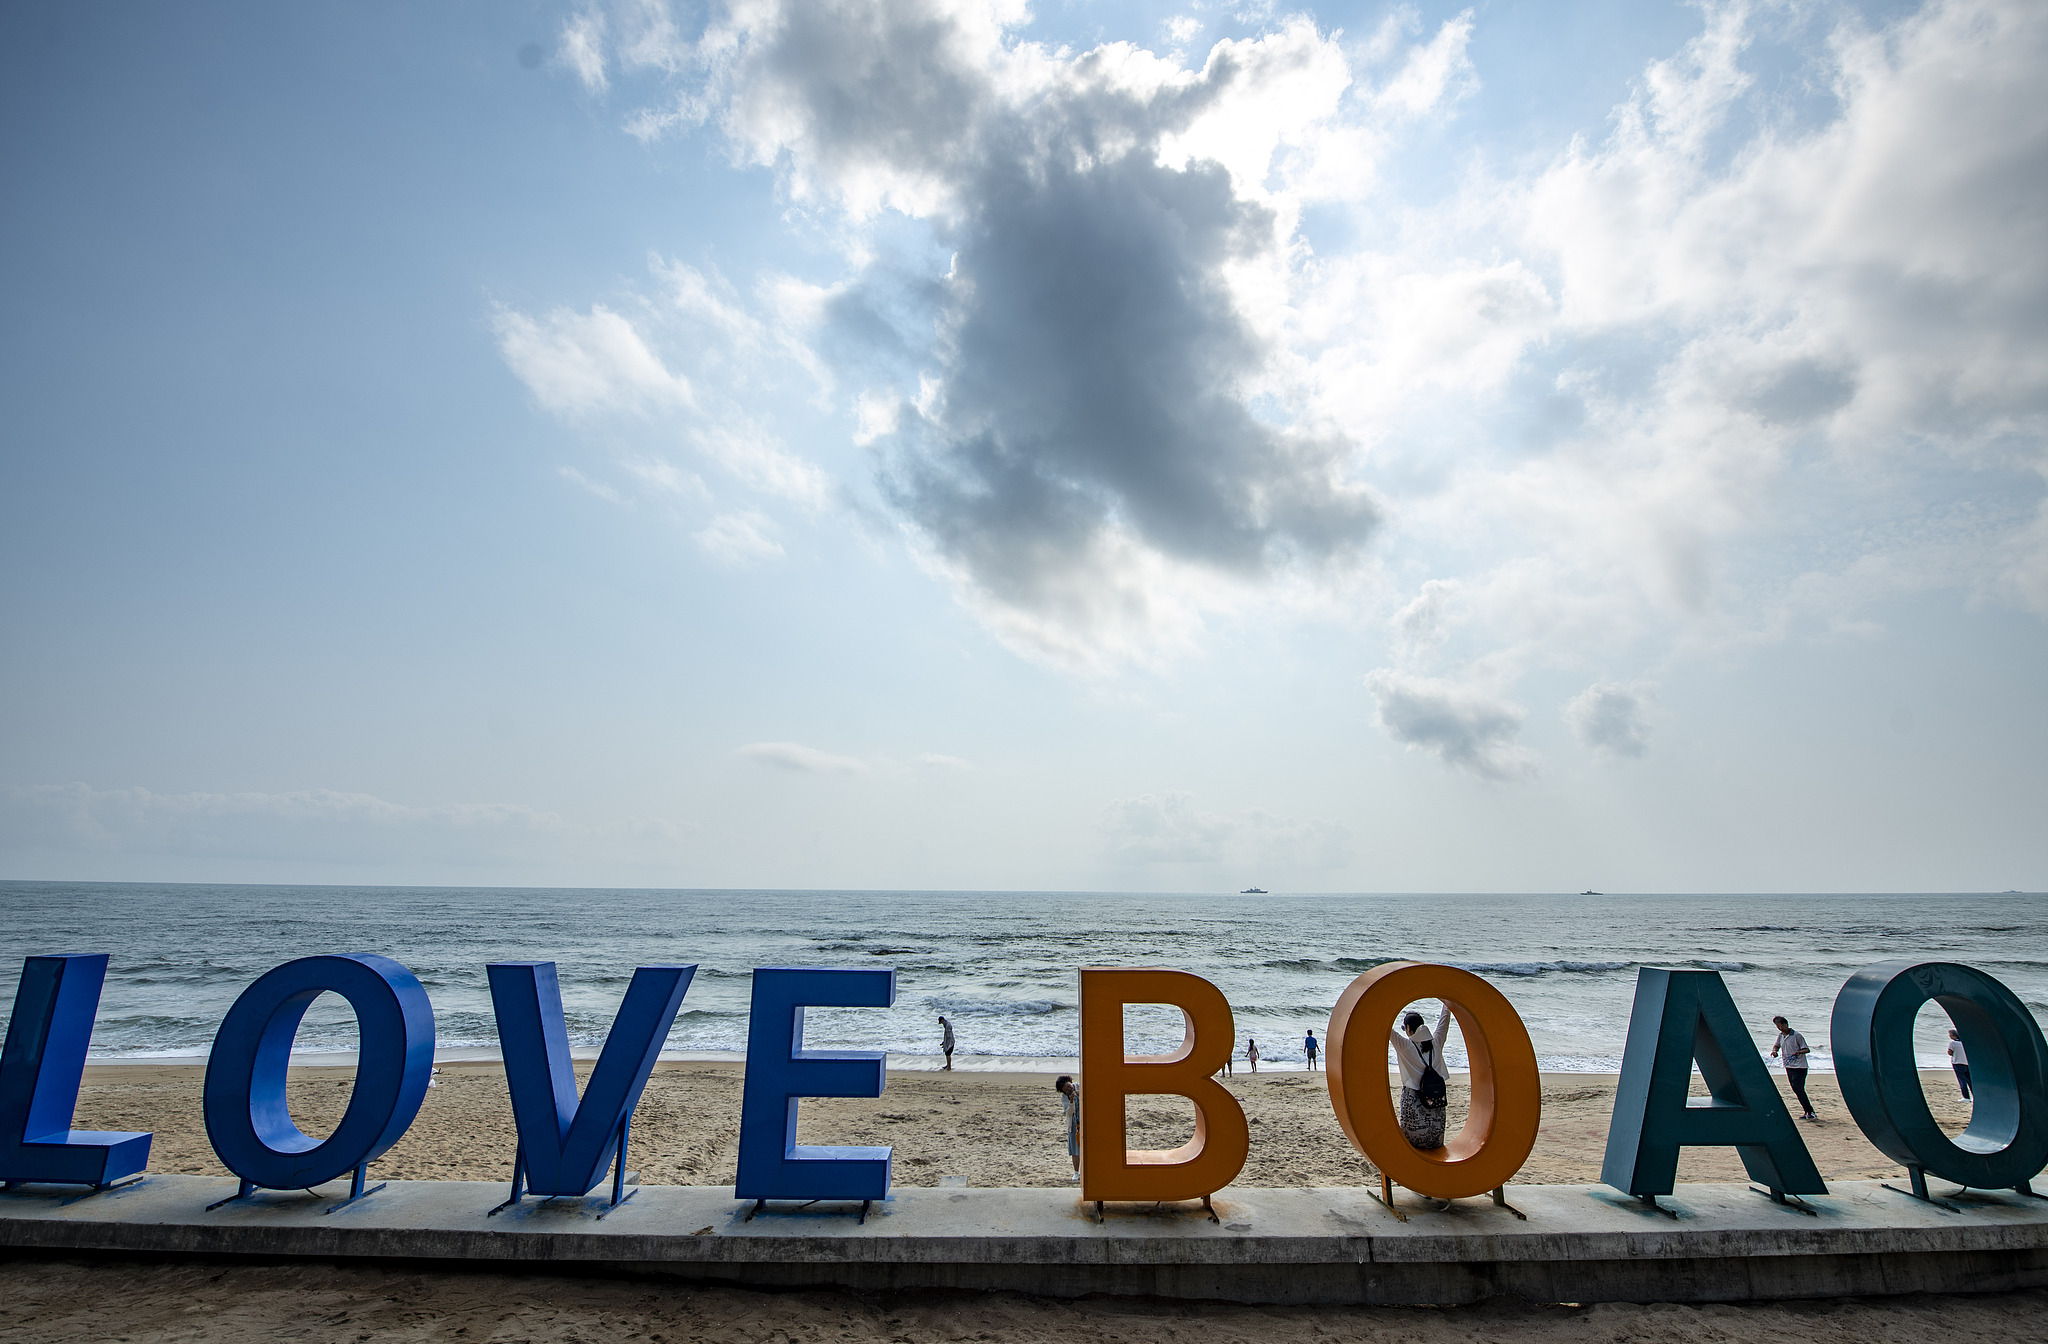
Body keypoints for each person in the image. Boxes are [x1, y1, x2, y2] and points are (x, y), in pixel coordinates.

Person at [1390, 1006, 1452, 1150]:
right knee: (1434, 1138)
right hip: (1435, 1098)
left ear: (1409, 1028)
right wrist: (1446, 1004)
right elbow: (1444, 1022)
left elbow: (1384, 1027)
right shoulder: (1436, 1042)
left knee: (1411, 1143)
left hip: (1413, 1098)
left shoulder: (1405, 1046)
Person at [1770, 1015, 1817, 1120]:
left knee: (1798, 1088)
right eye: (1777, 1026)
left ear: (1786, 1024)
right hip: (1788, 1066)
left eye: (1780, 1026)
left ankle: (1810, 1111)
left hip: (1800, 1067)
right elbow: (1776, 1045)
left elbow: (1806, 1049)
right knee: (1796, 1089)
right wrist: (1774, 1051)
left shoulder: (1797, 1036)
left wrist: (1799, 1052)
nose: (1779, 1028)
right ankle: (1808, 1111)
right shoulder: (1781, 1036)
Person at [1055, 1075, 1081, 1176]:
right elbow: (1069, 1112)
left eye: (1069, 1086)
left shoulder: (1079, 1086)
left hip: (1085, 1120)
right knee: (1075, 1148)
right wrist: (1071, 1101)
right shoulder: (1064, 1097)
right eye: (1066, 1089)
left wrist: (1079, 1094)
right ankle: (1076, 1172)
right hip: (1074, 1123)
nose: (1069, 1089)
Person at [1948, 1029, 1972, 1099]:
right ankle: (1975, 1096)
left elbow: (1950, 1052)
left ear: (1953, 1035)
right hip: (1966, 1063)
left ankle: (1966, 1097)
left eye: (1950, 1034)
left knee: (1962, 1081)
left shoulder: (1953, 1043)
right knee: (1969, 1081)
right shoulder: (1964, 1043)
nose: (1949, 1036)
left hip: (1958, 1063)